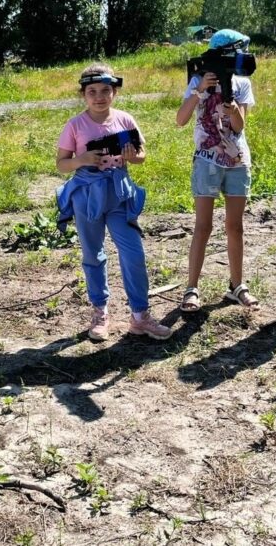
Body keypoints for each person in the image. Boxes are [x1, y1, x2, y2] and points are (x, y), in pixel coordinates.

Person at [55, 64, 172, 342]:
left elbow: (141, 154)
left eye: (105, 90)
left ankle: (140, 316)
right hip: (87, 195)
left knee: (133, 253)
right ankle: (100, 312)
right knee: (93, 255)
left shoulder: (125, 120)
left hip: (120, 193)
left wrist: (133, 156)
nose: (99, 97)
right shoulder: (75, 125)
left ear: (114, 91)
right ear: (83, 94)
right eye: (92, 91)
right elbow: (61, 164)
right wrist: (82, 160)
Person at [175, 29, 260, 313]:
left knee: (235, 227)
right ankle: (192, 287)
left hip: (236, 161)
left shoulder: (243, 82)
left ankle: (237, 285)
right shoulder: (198, 80)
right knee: (203, 226)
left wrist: (232, 106)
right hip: (207, 160)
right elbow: (181, 119)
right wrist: (200, 91)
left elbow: (239, 126)